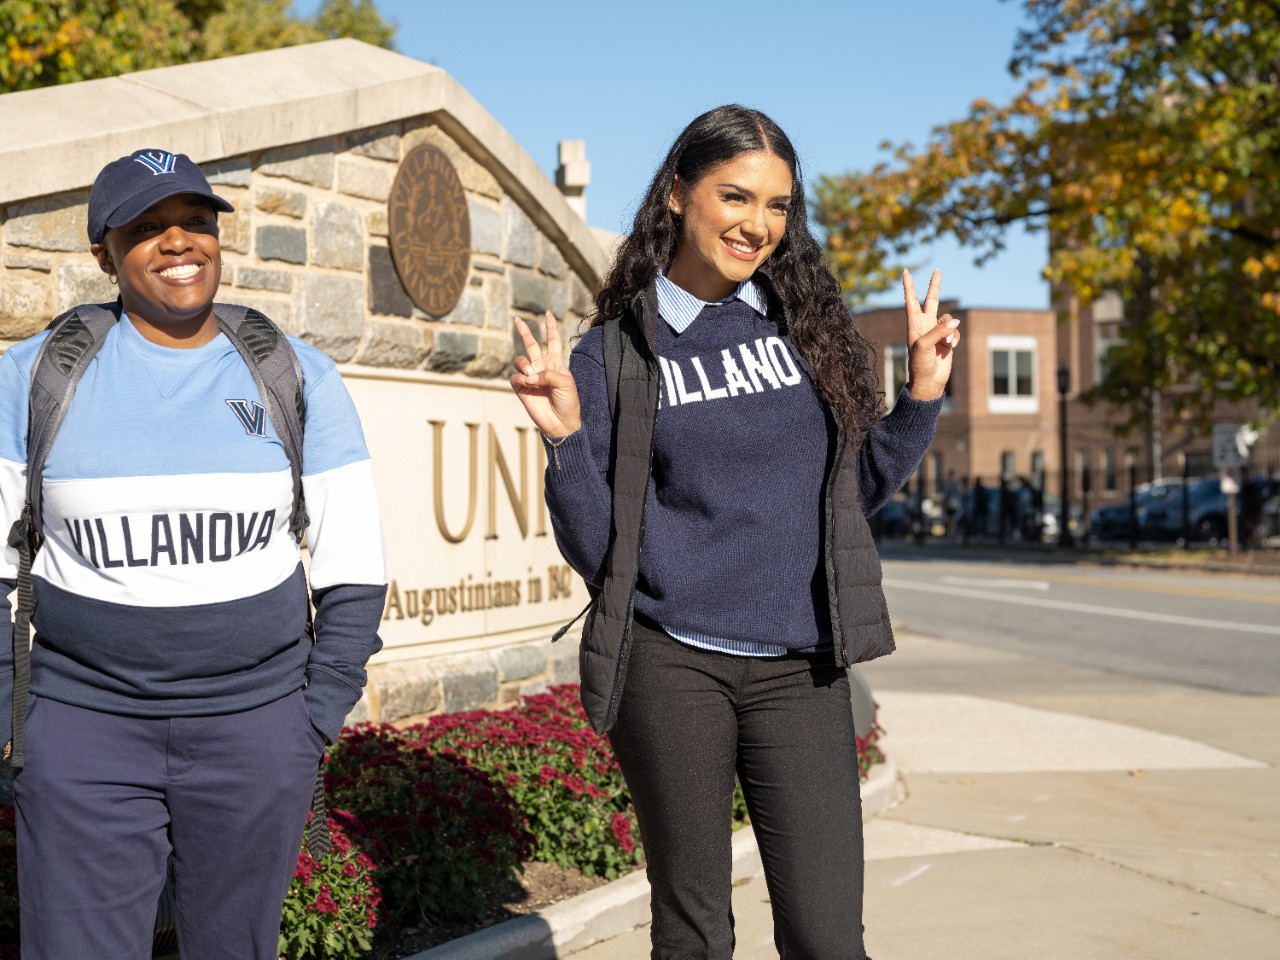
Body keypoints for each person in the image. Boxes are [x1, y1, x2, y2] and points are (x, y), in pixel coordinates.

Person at [509, 106, 958, 960]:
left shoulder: (811, 334)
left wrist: (922, 399)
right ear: (678, 194)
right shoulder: (615, 355)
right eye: (736, 196)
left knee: (830, 938)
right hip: (671, 663)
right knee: (695, 934)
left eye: (779, 206)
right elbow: (601, 551)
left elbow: (848, 495)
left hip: (802, 668)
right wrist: (566, 441)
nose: (759, 224)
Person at [0, 149, 388, 959]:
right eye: (146, 227)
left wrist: (308, 724)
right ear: (102, 249)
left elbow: (353, 564)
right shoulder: (32, 377)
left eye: (196, 222)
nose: (179, 243)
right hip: (84, 731)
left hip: (256, 730)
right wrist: (13, 719)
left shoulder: (295, 373)